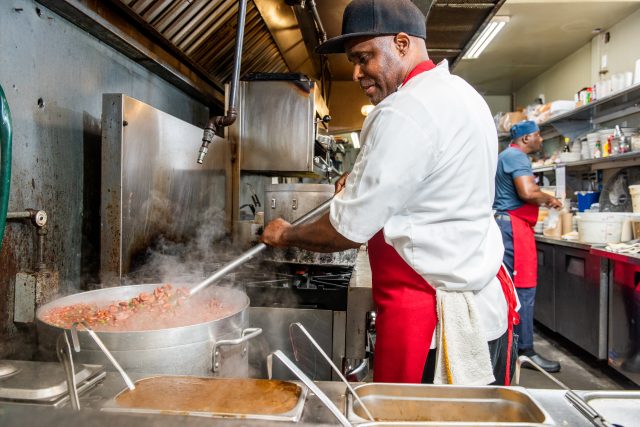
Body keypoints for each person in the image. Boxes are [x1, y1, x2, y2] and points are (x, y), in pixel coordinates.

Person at [262, 0, 519, 385]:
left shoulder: (404, 109)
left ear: (402, 43)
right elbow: (436, 182)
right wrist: (365, 178)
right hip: (482, 312)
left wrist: (284, 235)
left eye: (364, 57)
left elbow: (346, 231)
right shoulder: (463, 95)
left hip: (434, 324)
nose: (356, 73)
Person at [493, 120, 563, 373]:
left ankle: (513, 349)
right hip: (513, 228)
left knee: (512, 289)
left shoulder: (506, 156)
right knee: (522, 289)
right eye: (537, 135)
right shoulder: (516, 156)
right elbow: (527, 192)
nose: (541, 140)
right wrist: (549, 198)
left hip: (509, 226)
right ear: (524, 139)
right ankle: (525, 352)